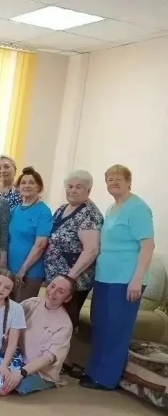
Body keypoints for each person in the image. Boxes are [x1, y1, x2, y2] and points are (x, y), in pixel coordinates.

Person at [81, 164, 155, 391]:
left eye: (118, 179)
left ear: (129, 182)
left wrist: (137, 279)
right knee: (101, 325)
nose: (113, 183)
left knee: (116, 330)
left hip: (126, 279)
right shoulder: (111, 208)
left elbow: (148, 246)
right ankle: (94, 371)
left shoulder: (138, 208)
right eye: (109, 180)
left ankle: (107, 378)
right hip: (105, 276)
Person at [45, 170, 102, 334]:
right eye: (70, 186)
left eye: (78, 187)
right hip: (56, 278)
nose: (73, 190)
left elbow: (91, 250)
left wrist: (69, 279)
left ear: (88, 190)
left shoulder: (90, 214)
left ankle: (65, 351)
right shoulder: (62, 208)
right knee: (52, 322)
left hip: (73, 282)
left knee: (66, 323)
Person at [4, 275, 75, 396]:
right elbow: (10, 317)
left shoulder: (65, 325)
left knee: (19, 385)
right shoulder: (31, 303)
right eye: (52, 286)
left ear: (67, 298)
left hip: (40, 372)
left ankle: (50, 382)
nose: (52, 292)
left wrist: (21, 373)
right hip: (17, 358)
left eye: (60, 291)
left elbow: (48, 358)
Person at [8, 167, 52, 302]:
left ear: (39, 187)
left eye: (31, 182)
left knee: (23, 309)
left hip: (30, 272)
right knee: (9, 309)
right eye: (23, 182)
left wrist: (23, 269)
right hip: (10, 269)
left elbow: (40, 245)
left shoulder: (43, 211)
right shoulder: (14, 210)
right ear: (18, 187)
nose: (27, 185)